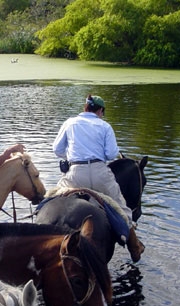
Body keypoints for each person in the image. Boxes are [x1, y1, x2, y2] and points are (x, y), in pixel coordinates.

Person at [53, 94, 145, 262]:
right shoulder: (104, 126)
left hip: (75, 173)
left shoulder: (69, 123)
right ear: (100, 110)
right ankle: (134, 247)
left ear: (85, 107)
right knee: (122, 209)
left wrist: (72, 155)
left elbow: (57, 149)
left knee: (52, 198)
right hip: (99, 173)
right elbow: (111, 154)